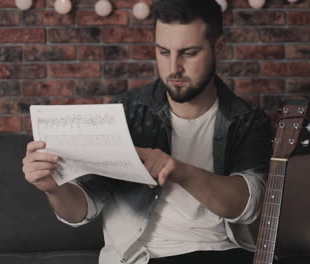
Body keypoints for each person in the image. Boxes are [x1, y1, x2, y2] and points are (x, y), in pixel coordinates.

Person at [22, 0, 272, 263]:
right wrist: (53, 189)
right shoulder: (127, 112)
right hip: (141, 256)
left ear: (218, 47)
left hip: (221, 252)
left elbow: (248, 206)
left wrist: (178, 170)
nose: (173, 68)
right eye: (163, 52)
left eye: (188, 53)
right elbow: (82, 209)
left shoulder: (247, 119)